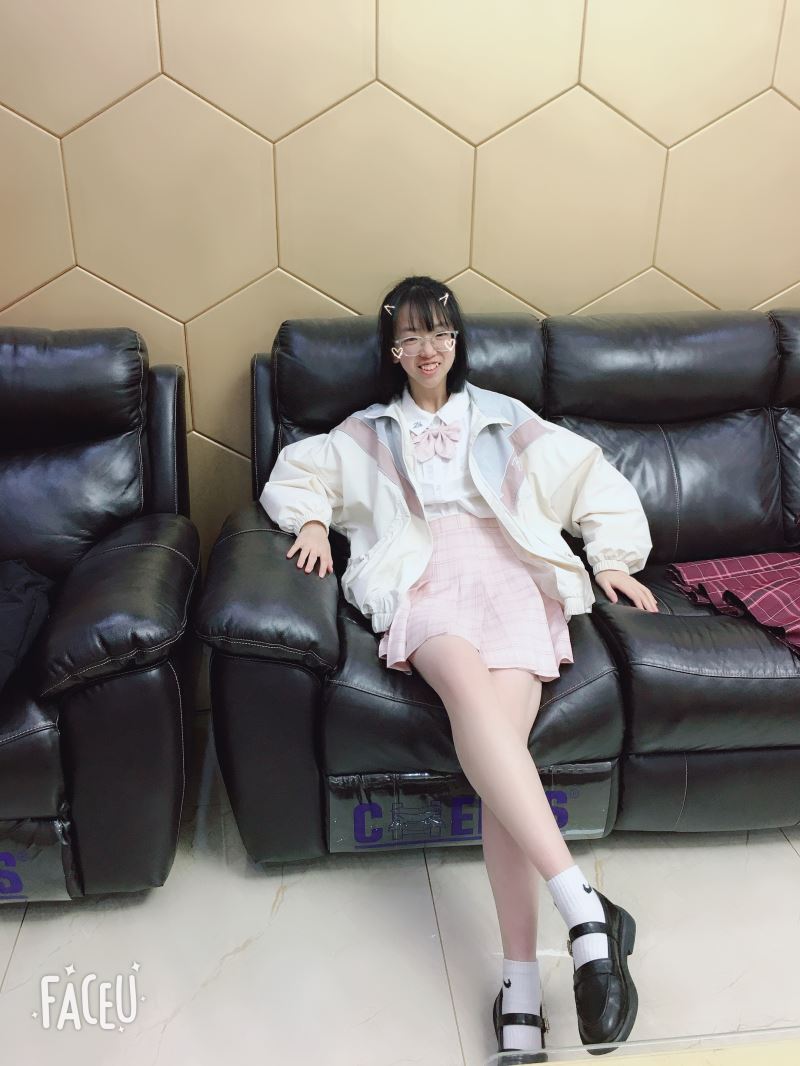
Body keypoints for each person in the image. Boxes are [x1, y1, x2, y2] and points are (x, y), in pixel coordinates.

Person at [260, 275, 658, 1059]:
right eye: (409, 337)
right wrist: (309, 521)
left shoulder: (504, 417)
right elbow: (298, 474)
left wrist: (610, 557)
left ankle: (521, 983)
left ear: (457, 340)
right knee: (471, 700)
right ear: (391, 350)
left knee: (499, 765)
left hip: (512, 573)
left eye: (439, 333)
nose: (426, 349)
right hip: (422, 574)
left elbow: (590, 478)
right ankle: (584, 911)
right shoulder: (369, 431)